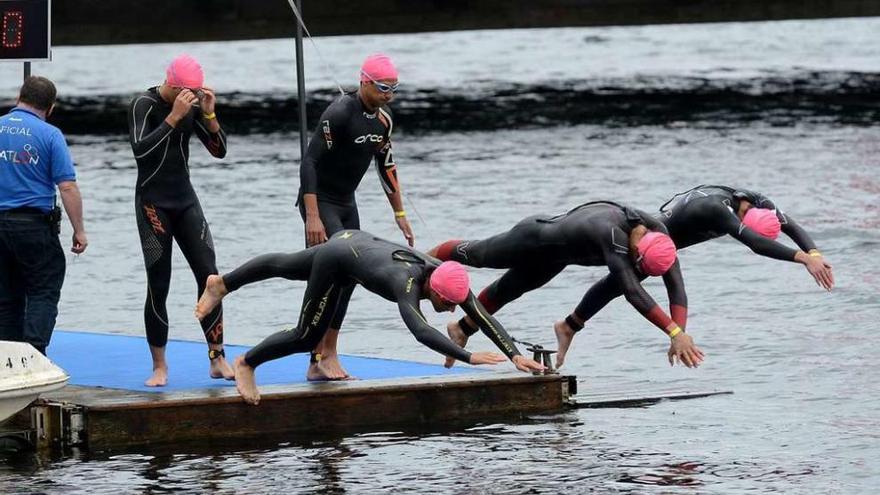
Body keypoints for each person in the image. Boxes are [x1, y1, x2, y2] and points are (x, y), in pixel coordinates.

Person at [194, 230, 546, 405]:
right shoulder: (404, 284)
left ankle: (222, 284)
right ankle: (247, 362)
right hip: (339, 258)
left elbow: (482, 315)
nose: (454, 310)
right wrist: (469, 357)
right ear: (435, 293)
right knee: (306, 334)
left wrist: (514, 354)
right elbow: (421, 332)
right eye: (449, 305)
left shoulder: (449, 276)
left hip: (353, 241)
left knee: (286, 265)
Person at [552, 185, 835, 358]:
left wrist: (815, 254)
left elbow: (791, 226)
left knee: (626, 285)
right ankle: (569, 326)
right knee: (626, 284)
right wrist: (802, 259)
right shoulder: (716, 208)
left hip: (666, 246)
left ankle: (569, 326)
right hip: (649, 241)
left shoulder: (759, 202)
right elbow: (756, 244)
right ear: (744, 215)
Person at [429, 201, 705, 370]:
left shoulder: (659, 236)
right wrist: (673, 331)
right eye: (639, 264)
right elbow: (633, 293)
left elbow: (677, 286)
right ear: (637, 250)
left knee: (508, 290)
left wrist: (680, 333)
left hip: (556, 257)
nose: (638, 270)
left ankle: (461, 328)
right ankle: (423, 260)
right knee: (478, 255)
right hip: (533, 236)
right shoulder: (612, 235)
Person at [297, 53, 414, 381]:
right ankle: (317, 356)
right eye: (381, 87)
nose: (388, 94)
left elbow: (386, 165)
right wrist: (312, 216)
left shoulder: (384, 121)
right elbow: (309, 162)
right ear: (364, 82)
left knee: (350, 278)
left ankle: (327, 354)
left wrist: (400, 213)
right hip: (321, 203)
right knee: (329, 276)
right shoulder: (339, 113)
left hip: (347, 204)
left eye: (393, 88)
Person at [127, 54, 233, 386]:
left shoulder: (192, 104)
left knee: (211, 278)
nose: (189, 97)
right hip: (153, 203)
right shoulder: (143, 105)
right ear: (171, 84)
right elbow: (140, 152)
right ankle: (160, 366)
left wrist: (210, 113)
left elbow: (219, 151)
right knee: (159, 283)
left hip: (185, 201)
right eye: (185, 91)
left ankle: (217, 358)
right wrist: (173, 117)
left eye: (195, 92)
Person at [0, 76, 87, 355]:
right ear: (50, 107)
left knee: (5, 299)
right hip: (34, 227)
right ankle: (33, 355)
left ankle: (7, 361)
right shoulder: (50, 135)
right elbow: (67, 186)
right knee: (43, 290)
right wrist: (79, 230)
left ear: (18, 98)